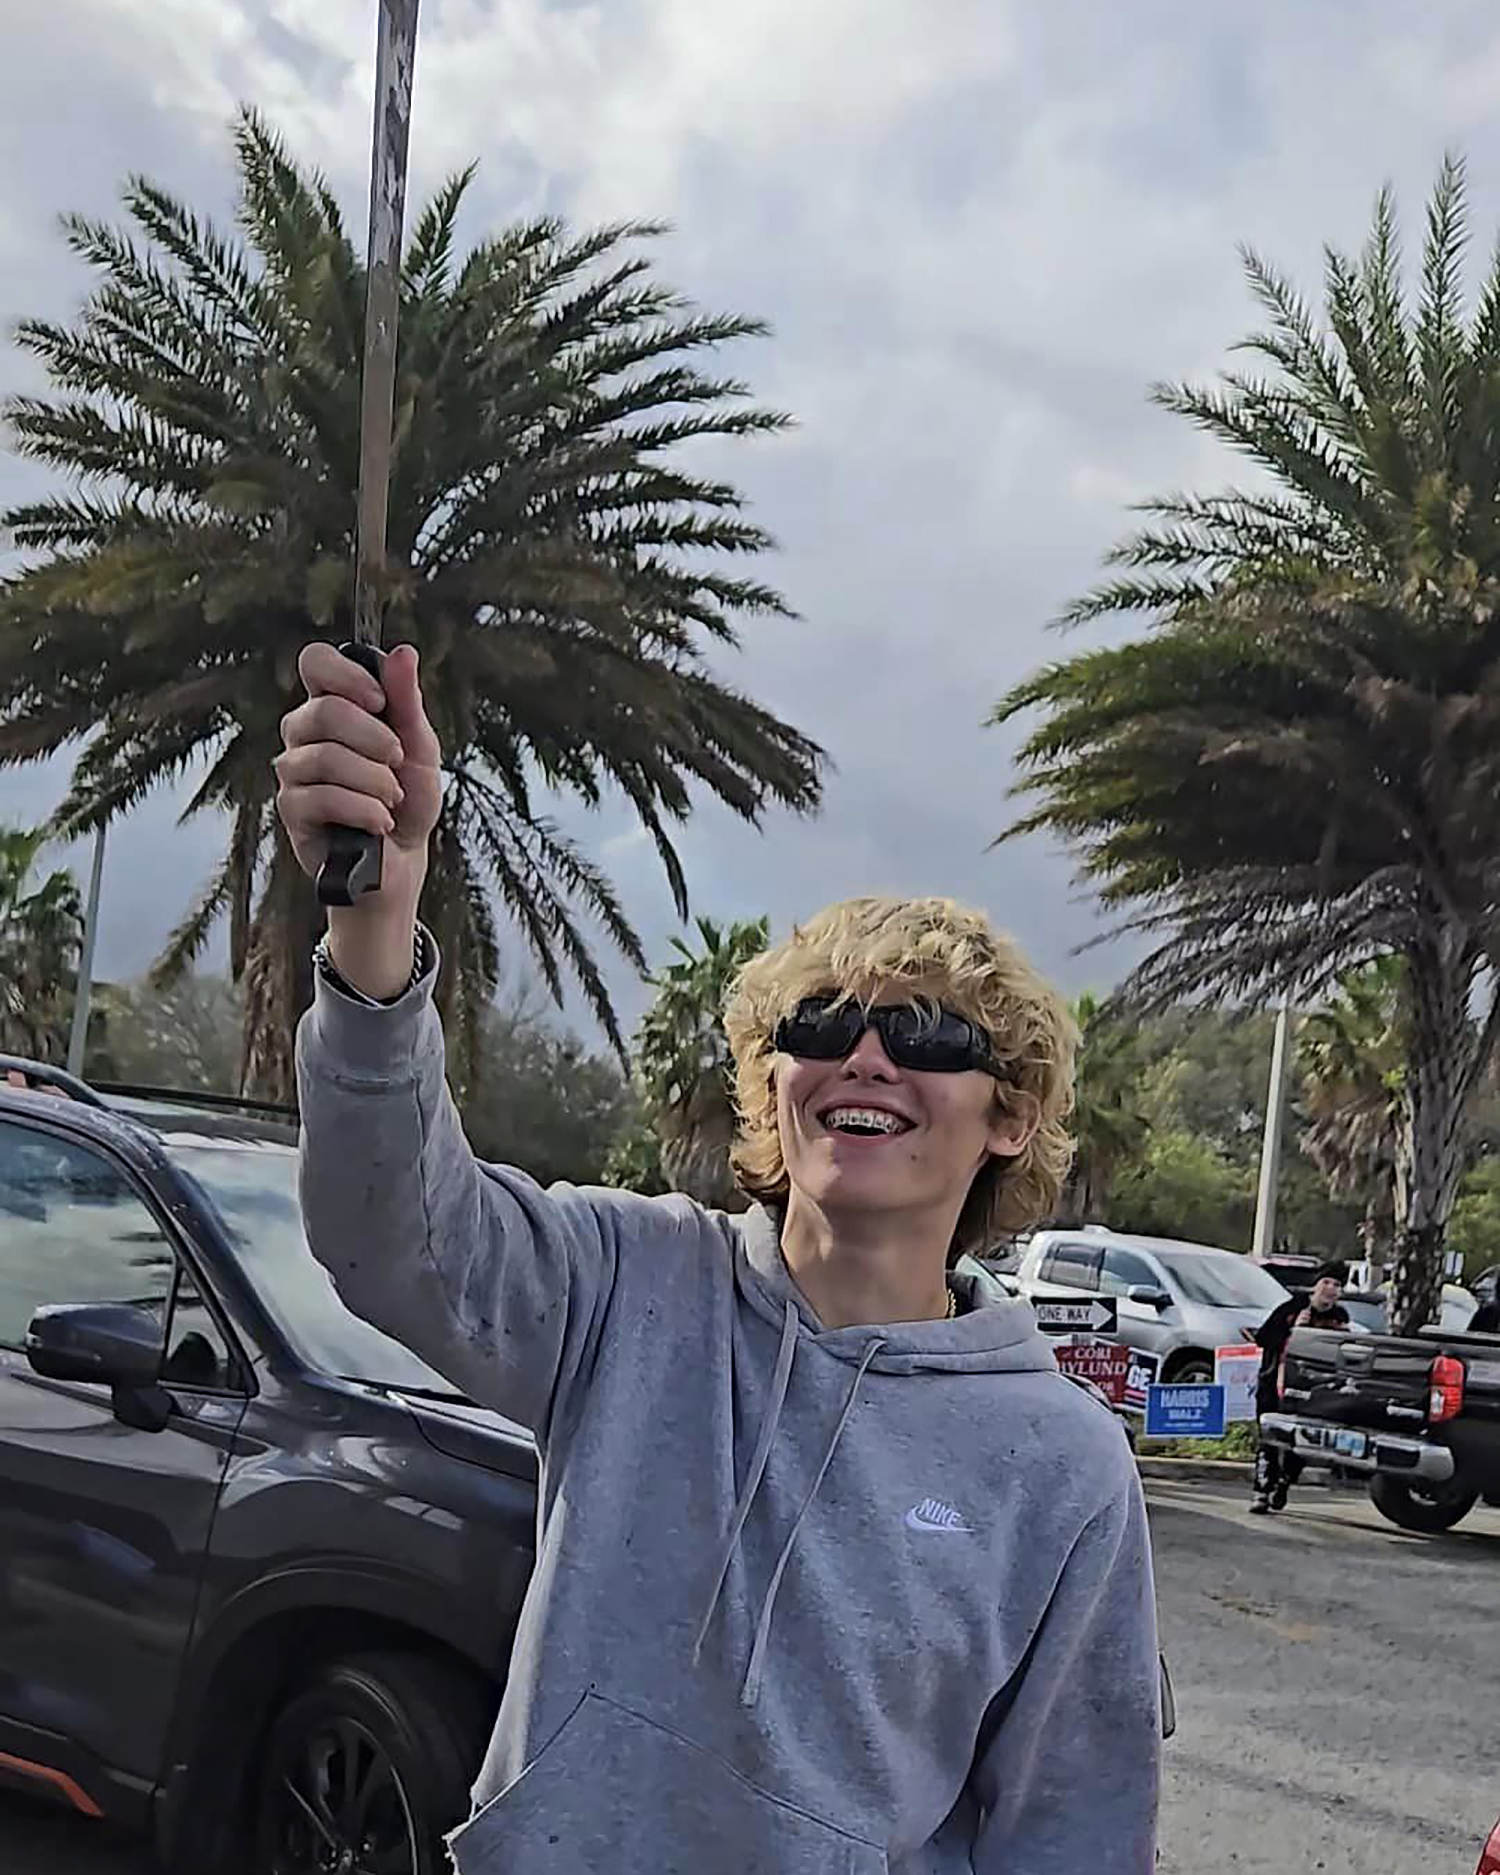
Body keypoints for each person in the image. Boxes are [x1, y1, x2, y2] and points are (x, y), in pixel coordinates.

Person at [276, 641, 1162, 1874]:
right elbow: (390, 1237)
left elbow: (1072, 1828)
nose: (863, 1056)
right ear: (770, 1084)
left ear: (1009, 1117)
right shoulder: (627, 1281)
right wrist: (376, 923)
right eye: (821, 1024)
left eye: (921, 1032)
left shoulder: (1066, 1465)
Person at [1249, 1260, 1350, 1515]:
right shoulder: (1293, 1307)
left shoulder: (1340, 1317)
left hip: (1312, 1391)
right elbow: (1263, 1339)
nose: (1330, 1289)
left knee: (1300, 1444)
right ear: (1316, 1286)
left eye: (1336, 1285)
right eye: (1326, 1283)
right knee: (1269, 1440)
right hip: (1276, 1384)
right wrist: (1293, 1330)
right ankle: (1261, 1491)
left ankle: (1283, 1483)